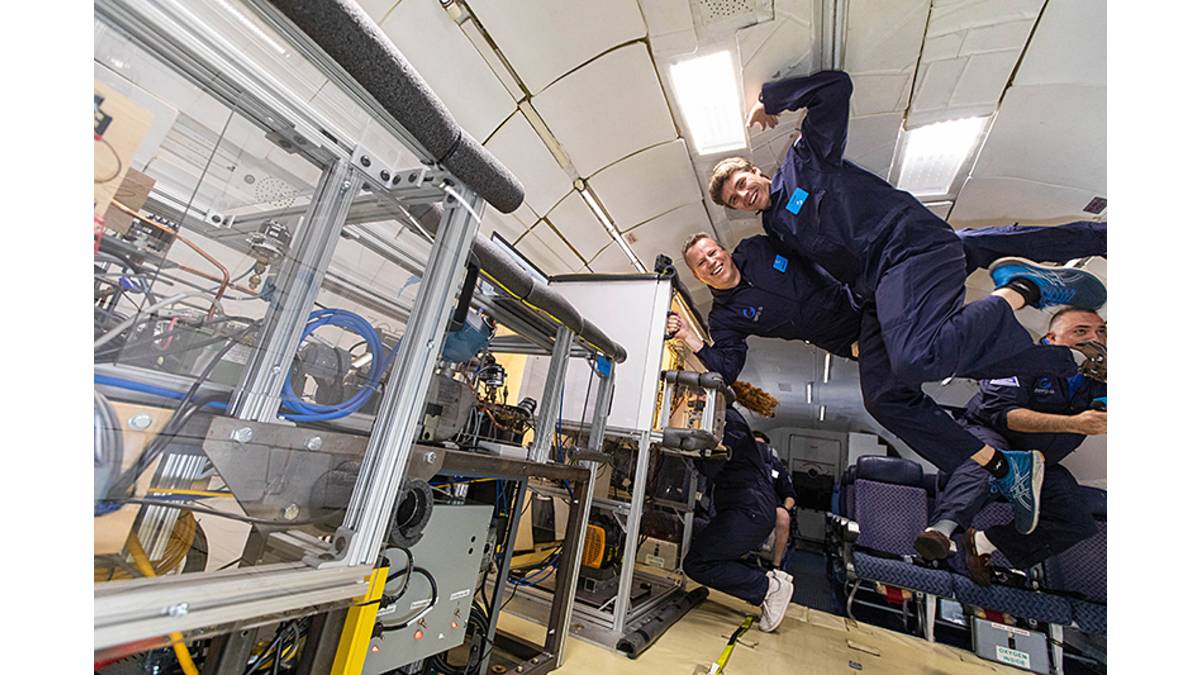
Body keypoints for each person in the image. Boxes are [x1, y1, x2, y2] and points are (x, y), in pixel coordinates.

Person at [706, 69, 1107, 533]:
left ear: (756, 171)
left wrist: (771, 99)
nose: (742, 192)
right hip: (879, 287)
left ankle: (1028, 288)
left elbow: (835, 87)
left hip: (906, 245)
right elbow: (821, 279)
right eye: (735, 198)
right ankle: (1003, 465)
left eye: (741, 180)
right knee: (884, 397)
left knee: (919, 355)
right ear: (738, 209)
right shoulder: (774, 231)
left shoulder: (804, 158)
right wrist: (851, 335)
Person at [669, 223, 1105, 533]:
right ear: (698, 275)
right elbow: (724, 369)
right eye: (702, 264)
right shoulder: (725, 316)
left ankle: (1040, 278)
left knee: (957, 257)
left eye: (712, 252)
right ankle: (1061, 372)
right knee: (942, 369)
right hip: (861, 337)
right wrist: (691, 336)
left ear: (722, 249)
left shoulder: (759, 246)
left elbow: (815, 238)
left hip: (873, 295)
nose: (712, 261)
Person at [913, 308, 1107, 584]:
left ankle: (983, 542)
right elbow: (1004, 414)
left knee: (1076, 521)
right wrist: (1076, 423)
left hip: (1041, 459)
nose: (1094, 337)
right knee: (989, 461)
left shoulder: (1098, 379)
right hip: (991, 433)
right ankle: (941, 531)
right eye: (1081, 331)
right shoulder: (1021, 359)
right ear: (1051, 339)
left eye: (1101, 331)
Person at [684, 405, 794, 632]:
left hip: (749, 510)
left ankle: (767, 587)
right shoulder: (730, 419)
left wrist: (685, 441)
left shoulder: (728, 424)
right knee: (703, 553)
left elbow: (711, 466)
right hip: (745, 508)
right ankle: (767, 584)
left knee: (698, 563)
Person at [753, 431, 798, 570]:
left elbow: (790, 495)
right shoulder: (741, 462)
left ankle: (775, 565)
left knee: (783, 516)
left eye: (762, 445)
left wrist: (784, 508)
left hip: (770, 507)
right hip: (745, 501)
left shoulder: (776, 467)